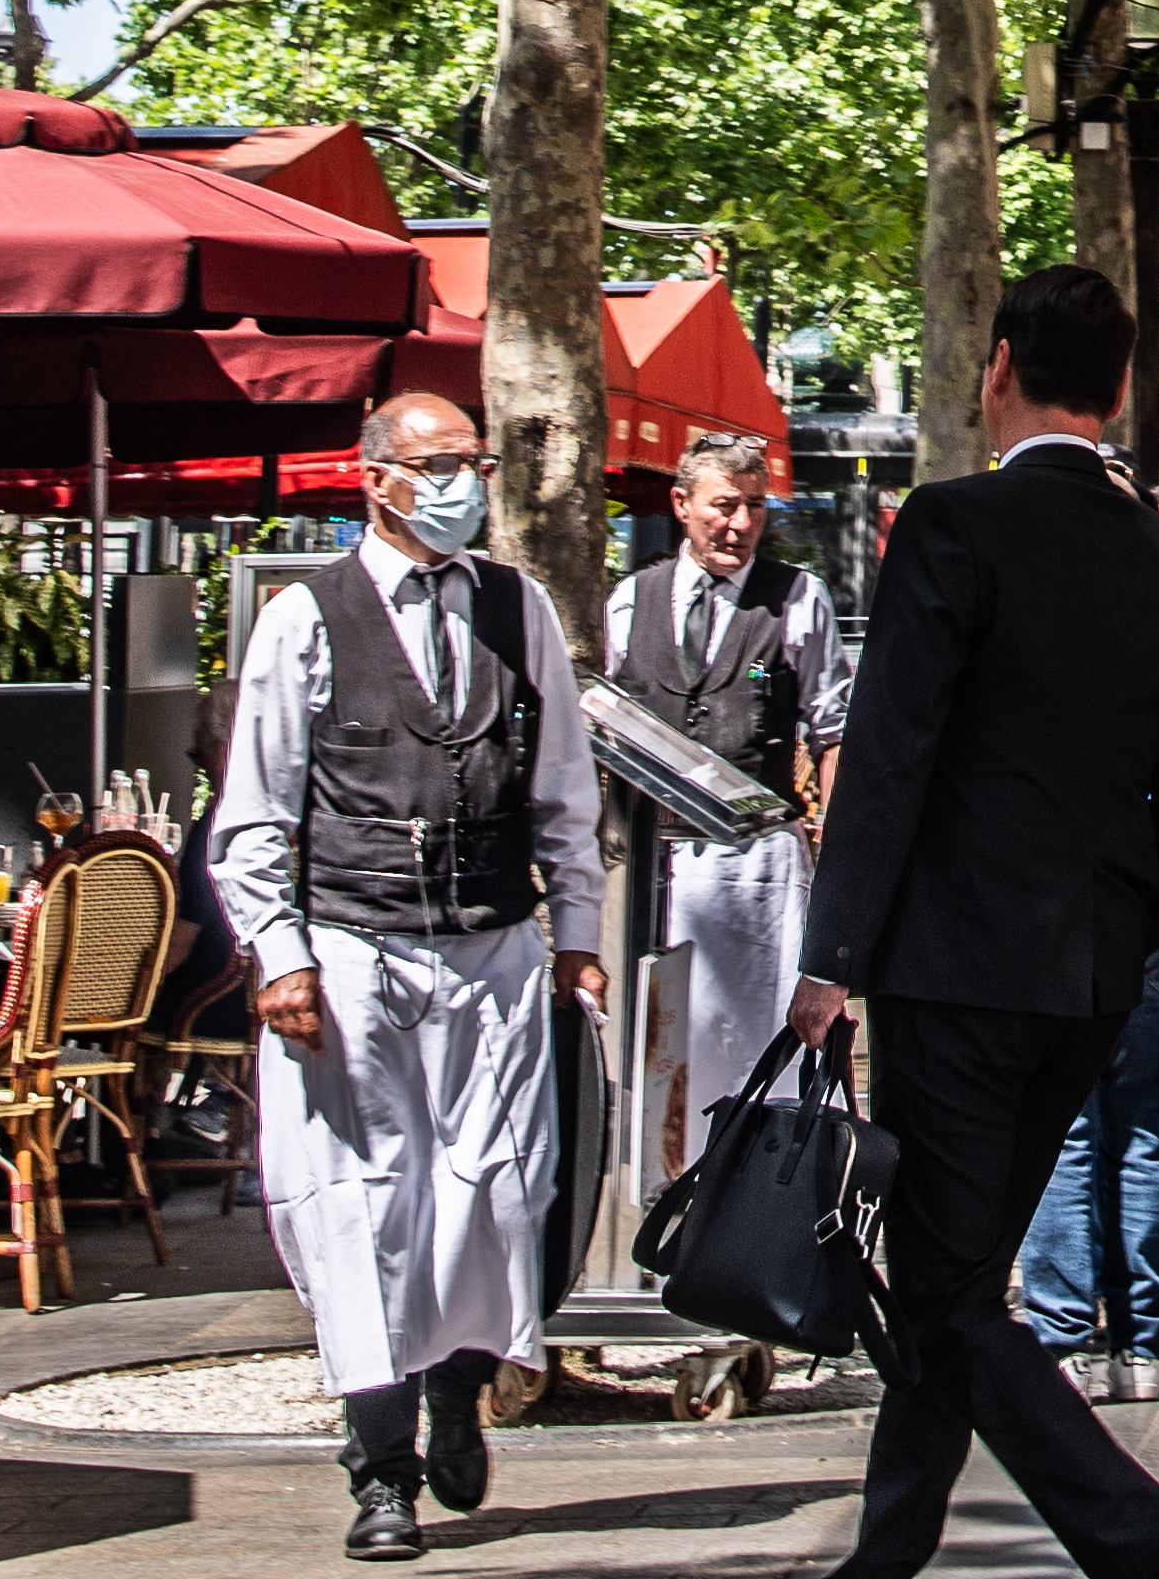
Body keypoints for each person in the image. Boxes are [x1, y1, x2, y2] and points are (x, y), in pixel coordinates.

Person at [789, 266, 1159, 1579]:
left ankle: (1140, 1535)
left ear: (997, 369)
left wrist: (833, 958)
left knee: (937, 1285)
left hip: (952, 969)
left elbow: (887, 757)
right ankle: (883, 1562)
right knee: (960, 1274)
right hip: (1097, 973)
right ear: (1118, 393)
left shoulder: (949, 528)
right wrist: (1125, 898)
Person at [202, 392, 611, 1564]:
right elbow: (256, 813)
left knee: (490, 1190)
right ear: (375, 477)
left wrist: (574, 928)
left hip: (490, 943)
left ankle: (459, 1391)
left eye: (474, 463)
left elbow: (563, 792)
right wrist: (278, 954)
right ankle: (378, 1466)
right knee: (367, 1202)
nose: (464, 484)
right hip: (354, 948)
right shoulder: (304, 617)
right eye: (441, 465)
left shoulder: (513, 605)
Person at [603, 426, 856, 1188]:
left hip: (759, 877)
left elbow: (836, 729)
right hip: (656, 867)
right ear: (681, 506)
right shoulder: (629, 603)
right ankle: (659, 1205)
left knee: (755, 1046)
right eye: (722, 506)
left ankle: (750, 1209)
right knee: (660, 1045)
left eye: (752, 507)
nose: (739, 524)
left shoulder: (796, 600)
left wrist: (840, 864)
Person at [1029, 481, 1159, 1402]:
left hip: (1068, 911)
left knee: (1069, 1128)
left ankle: (1066, 1331)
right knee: (1139, 1133)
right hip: (1157, 909)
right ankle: (1139, 1342)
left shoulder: (1049, 625)